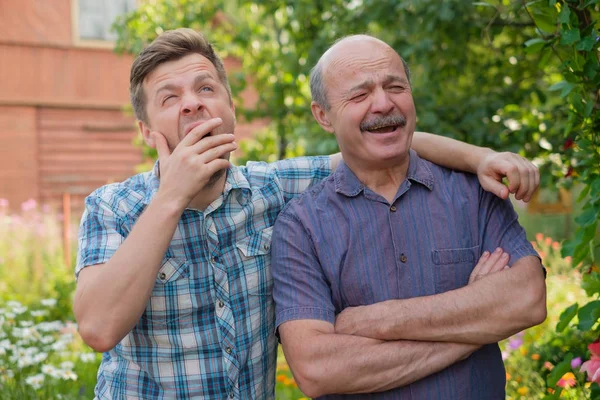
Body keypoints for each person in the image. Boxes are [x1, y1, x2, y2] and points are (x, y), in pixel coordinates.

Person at [73, 29, 540, 399]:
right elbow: (98, 327)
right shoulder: (113, 206)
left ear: (231, 109)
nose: (192, 102)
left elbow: (374, 138)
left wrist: (479, 157)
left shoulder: (273, 189)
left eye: (206, 87)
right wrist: (171, 197)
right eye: (169, 98)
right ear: (144, 128)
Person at [271, 34, 547, 400]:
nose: (383, 103)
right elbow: (318, 370)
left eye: (395, 86)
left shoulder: (475, 193)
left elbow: (527, 298)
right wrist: (477, 319)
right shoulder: (301, 224)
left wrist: (375, 319)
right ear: (323, 115)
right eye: (359, 94)